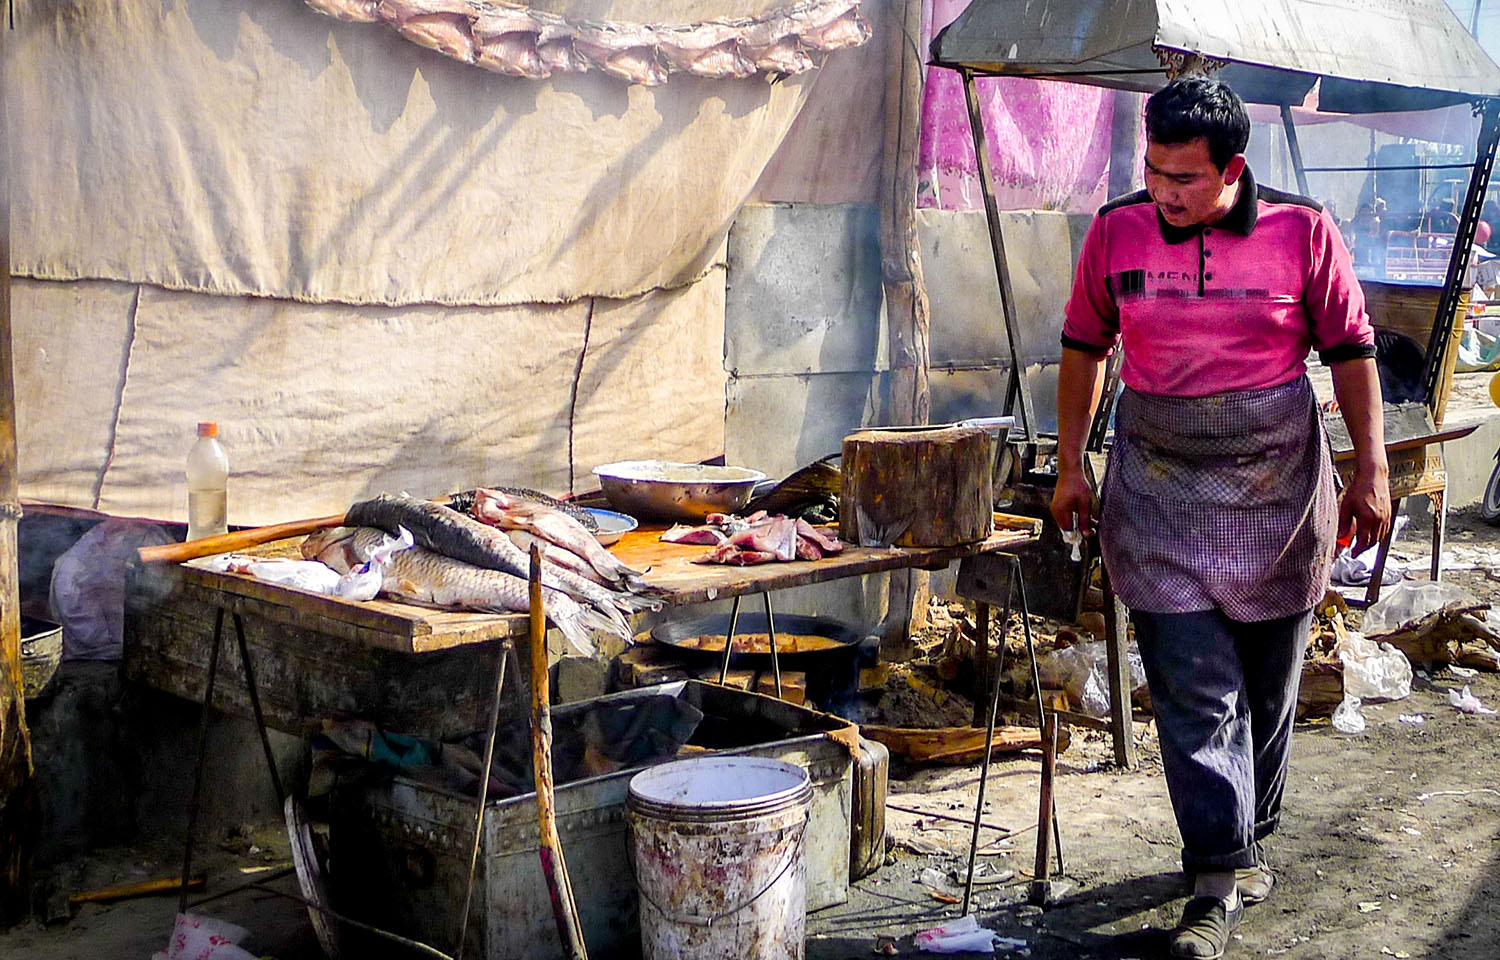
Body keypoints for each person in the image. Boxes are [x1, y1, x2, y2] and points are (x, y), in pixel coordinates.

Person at [1050, 77, 1390, 959]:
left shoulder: (1303, 231)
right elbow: (1084, 346)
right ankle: (1213, 877)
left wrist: (1372, 471)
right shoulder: (1115, 231)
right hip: (1156, 483)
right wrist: (1069, 465)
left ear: (1233, 168)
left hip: (1276, 485)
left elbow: (1352, 352)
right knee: (1192, 687)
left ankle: (1248, 834)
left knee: (1268, 690)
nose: (1162, 192)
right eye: (1153, 170)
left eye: (1184, 179)